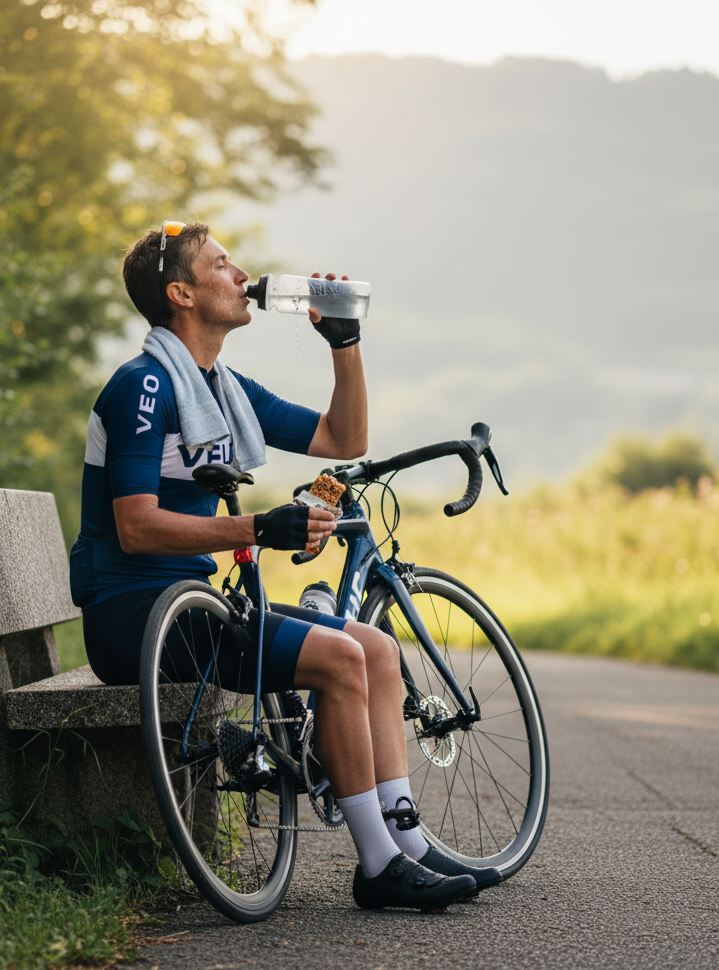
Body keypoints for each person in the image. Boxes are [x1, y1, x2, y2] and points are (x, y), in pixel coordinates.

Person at [69, 221, 500, 910]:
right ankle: (377, 865)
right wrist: (258, 528)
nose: (242, 275)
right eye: (220, 264)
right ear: (181, 293)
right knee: (337, 655)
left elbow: (343, 437)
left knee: (377, 649)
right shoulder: (143, 387)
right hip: (135, 618)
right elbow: (136, 526)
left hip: (184, 602)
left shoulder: (221, 389)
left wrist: (345, 343)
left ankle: (406, 841)